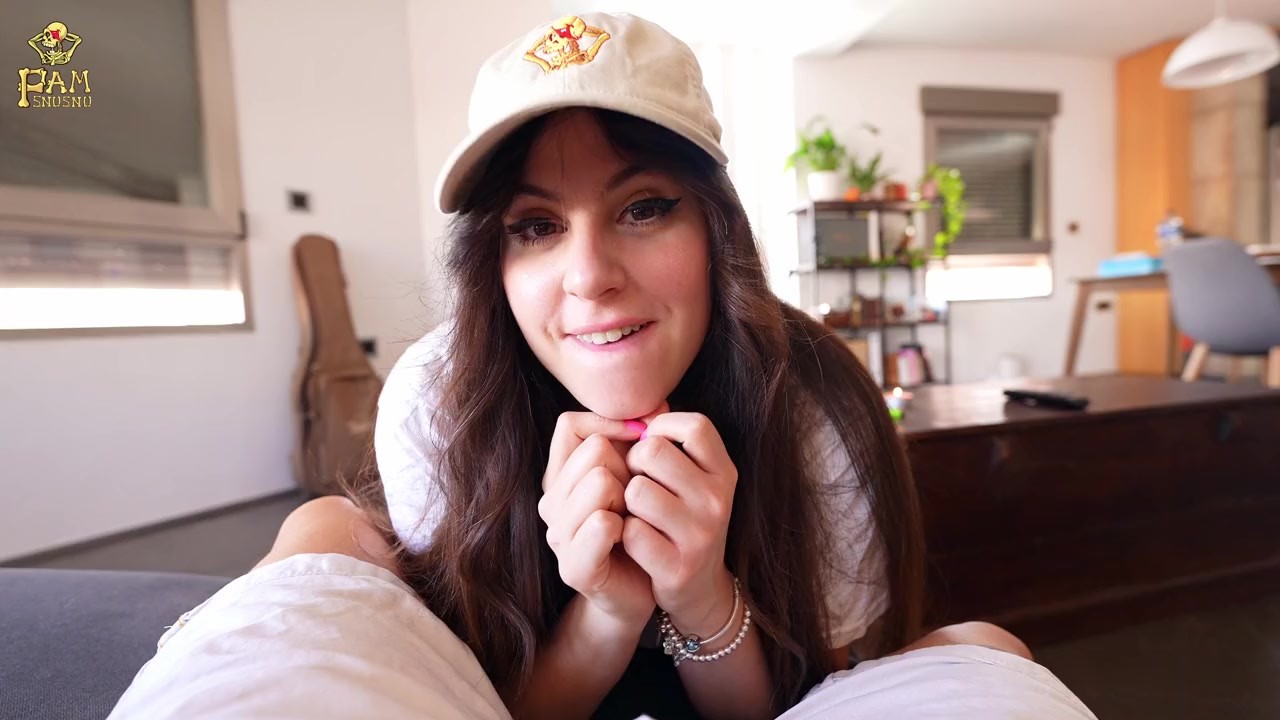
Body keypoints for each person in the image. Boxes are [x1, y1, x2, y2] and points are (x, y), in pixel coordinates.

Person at [108, 12, 1096, 720]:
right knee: (327, 527)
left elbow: (815, 695)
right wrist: (609, 608)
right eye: (535, 226)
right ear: (493, 263)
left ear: (715, 230)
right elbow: (493, 702)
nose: (588, 277)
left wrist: (701, 594)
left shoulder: (813, 410)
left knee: (983, 649)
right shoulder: (439, 401)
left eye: (642, 209)